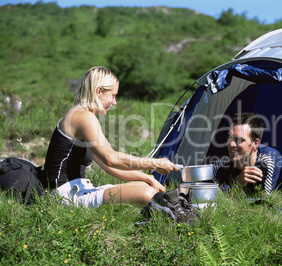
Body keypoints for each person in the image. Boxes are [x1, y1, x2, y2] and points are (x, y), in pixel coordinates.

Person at [43, 66, 197, 224]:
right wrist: (154, 163)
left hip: (77, 191)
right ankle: (174, 217)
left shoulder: (82, 116)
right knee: (145, 191)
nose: (114, 102)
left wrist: (148, 177)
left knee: (145, 185)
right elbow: (111, 158)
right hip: (67, 197)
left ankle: (165, 213)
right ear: (99, 91)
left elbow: (109, 166)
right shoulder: (83, 117)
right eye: (113, 96)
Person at [213, 113, 282, 195]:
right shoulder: (220, 163)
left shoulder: (268, 159)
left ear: (255, 143)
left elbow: (264, 199)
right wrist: (238, 183)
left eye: (239, 140)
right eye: (229, 137)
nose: (231, 144)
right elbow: (213, 198)